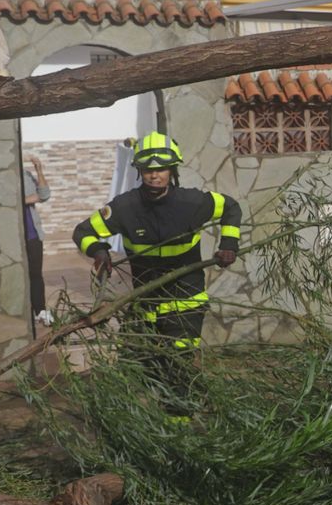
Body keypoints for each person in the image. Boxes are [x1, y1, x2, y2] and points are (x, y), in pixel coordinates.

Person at [72, 132, 242, 414]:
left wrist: (229, 244)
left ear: (172, 170)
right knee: (137, 367)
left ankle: (179, 430)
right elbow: (83, 231)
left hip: (186, 304)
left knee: (178, 367)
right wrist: (98, 251)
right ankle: (149, 425)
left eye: (160, 169)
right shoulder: (124, 207)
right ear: (139, 171)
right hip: (144, 306)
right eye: (148, 170)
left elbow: (231, 208)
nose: (154, 176)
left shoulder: (194, 203)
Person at [22, 154, 51, 324]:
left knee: (36, 274)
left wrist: (38, 169)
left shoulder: (25, 175)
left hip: (32, 234)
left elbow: (44, 194)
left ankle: (40, 311)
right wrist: (25, 200)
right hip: (12, 236)